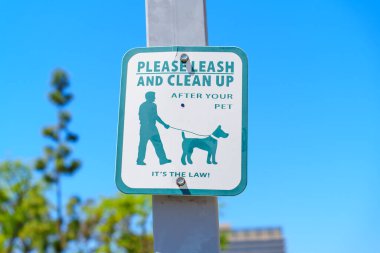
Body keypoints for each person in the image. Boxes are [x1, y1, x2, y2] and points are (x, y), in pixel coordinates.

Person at [137, 91, 172, 165]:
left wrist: (163, 124)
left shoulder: (143, 105)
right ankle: (162, 160)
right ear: (149, 97)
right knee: (146, 144)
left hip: (147, 128)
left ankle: (162, 159)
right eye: (153, 96)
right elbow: (155, 116)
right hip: (149, 128)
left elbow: (154, 116)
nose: (154, 98)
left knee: (150, 144)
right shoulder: (152, 105)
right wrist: (164, 124)